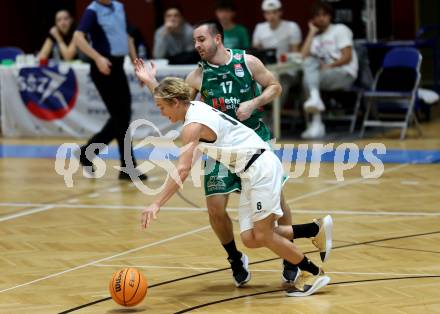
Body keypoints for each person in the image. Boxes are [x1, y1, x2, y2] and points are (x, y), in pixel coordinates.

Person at [137, 19, 332, 287]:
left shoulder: (243, 65)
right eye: (194, 41)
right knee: (250, 237)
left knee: (265, 229)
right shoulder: (195, 89)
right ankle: (313, 230)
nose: (197, 45)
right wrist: (152, 83)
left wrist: (156, 202)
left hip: (255, 158)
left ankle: (311, 272)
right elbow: (174, 100)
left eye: (201, 39)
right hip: (241, 161)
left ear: (218, 38)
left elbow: (181, 165)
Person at [73, 0, 146, 180]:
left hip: (119, 66)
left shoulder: (119, 7)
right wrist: (97, 58)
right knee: (120, 117)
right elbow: (78, 37)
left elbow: (128, 37)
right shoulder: (92, 10)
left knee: (122, 116)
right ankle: (127, 167)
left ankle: (88, 153)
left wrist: (137, 65)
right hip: (103, 67)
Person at [300, 1, 358, 139]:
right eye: (318, 15)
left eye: (324, 15)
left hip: (344, 72)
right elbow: (303, 56)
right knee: (308, 69)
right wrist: (311, 32)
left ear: (330, 16)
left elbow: (347, 57)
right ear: (313, 19)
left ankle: (316, 123)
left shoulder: (340, 29)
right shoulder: (315, 37)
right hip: (324, 74)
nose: (321, 18)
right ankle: (315, 105)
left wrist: (329, 66)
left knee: (307, 80)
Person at [252, 0, 302, 110]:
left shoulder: (292, 27)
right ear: (264, 14)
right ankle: (255, 118)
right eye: (268, 13)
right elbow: (255, 52)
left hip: (287, 71)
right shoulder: (260, 28)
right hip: (266, 70)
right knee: (251, 83)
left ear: (280, 12)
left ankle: (273, 120)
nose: (271, 16)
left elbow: (295, 54)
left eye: (274, 12)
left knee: (280, 84)